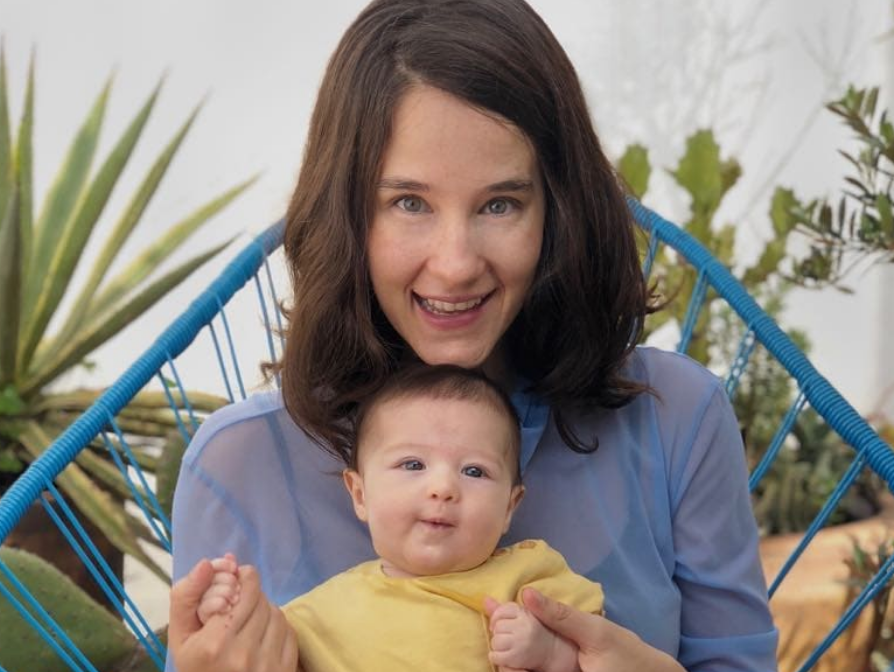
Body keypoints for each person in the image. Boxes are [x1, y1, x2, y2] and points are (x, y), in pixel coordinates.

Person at [167, 1, 778, 671]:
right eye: (408, 203)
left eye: (500, 204)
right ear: (346, 213)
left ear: (559, 210)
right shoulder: (239, 463)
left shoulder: (677, 420)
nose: (456, 264)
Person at [195, 364, 605, 672]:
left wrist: (551, 653)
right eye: (412, 464)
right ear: (360, 494)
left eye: (474, 471)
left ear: (509, 508)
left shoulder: (528, 576)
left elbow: (598, 649)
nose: (442, 487)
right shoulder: (323, 612)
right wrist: (229, 610)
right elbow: (263, 653)